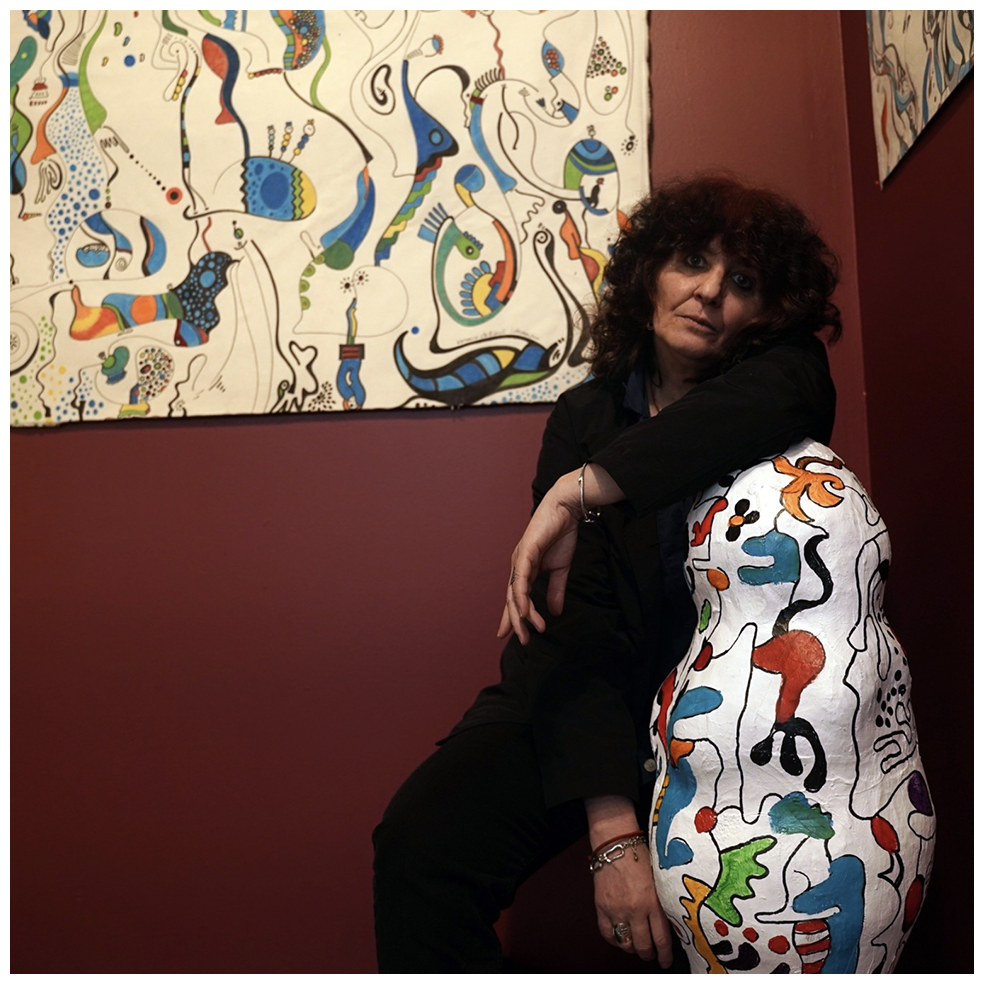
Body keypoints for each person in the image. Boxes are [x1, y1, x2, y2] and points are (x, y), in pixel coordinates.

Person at [372, 174, 841, 972]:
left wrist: (582, 487)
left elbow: (763, 399)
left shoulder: (783, 385)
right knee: (422, 840)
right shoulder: (585, 415)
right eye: (691, 261)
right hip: (584, 692)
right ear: (648, 273)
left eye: (742, 279)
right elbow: (573, 618)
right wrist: (612, 831)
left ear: (766, 312)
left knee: (723, 917)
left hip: (731, 719)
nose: (710, 292)